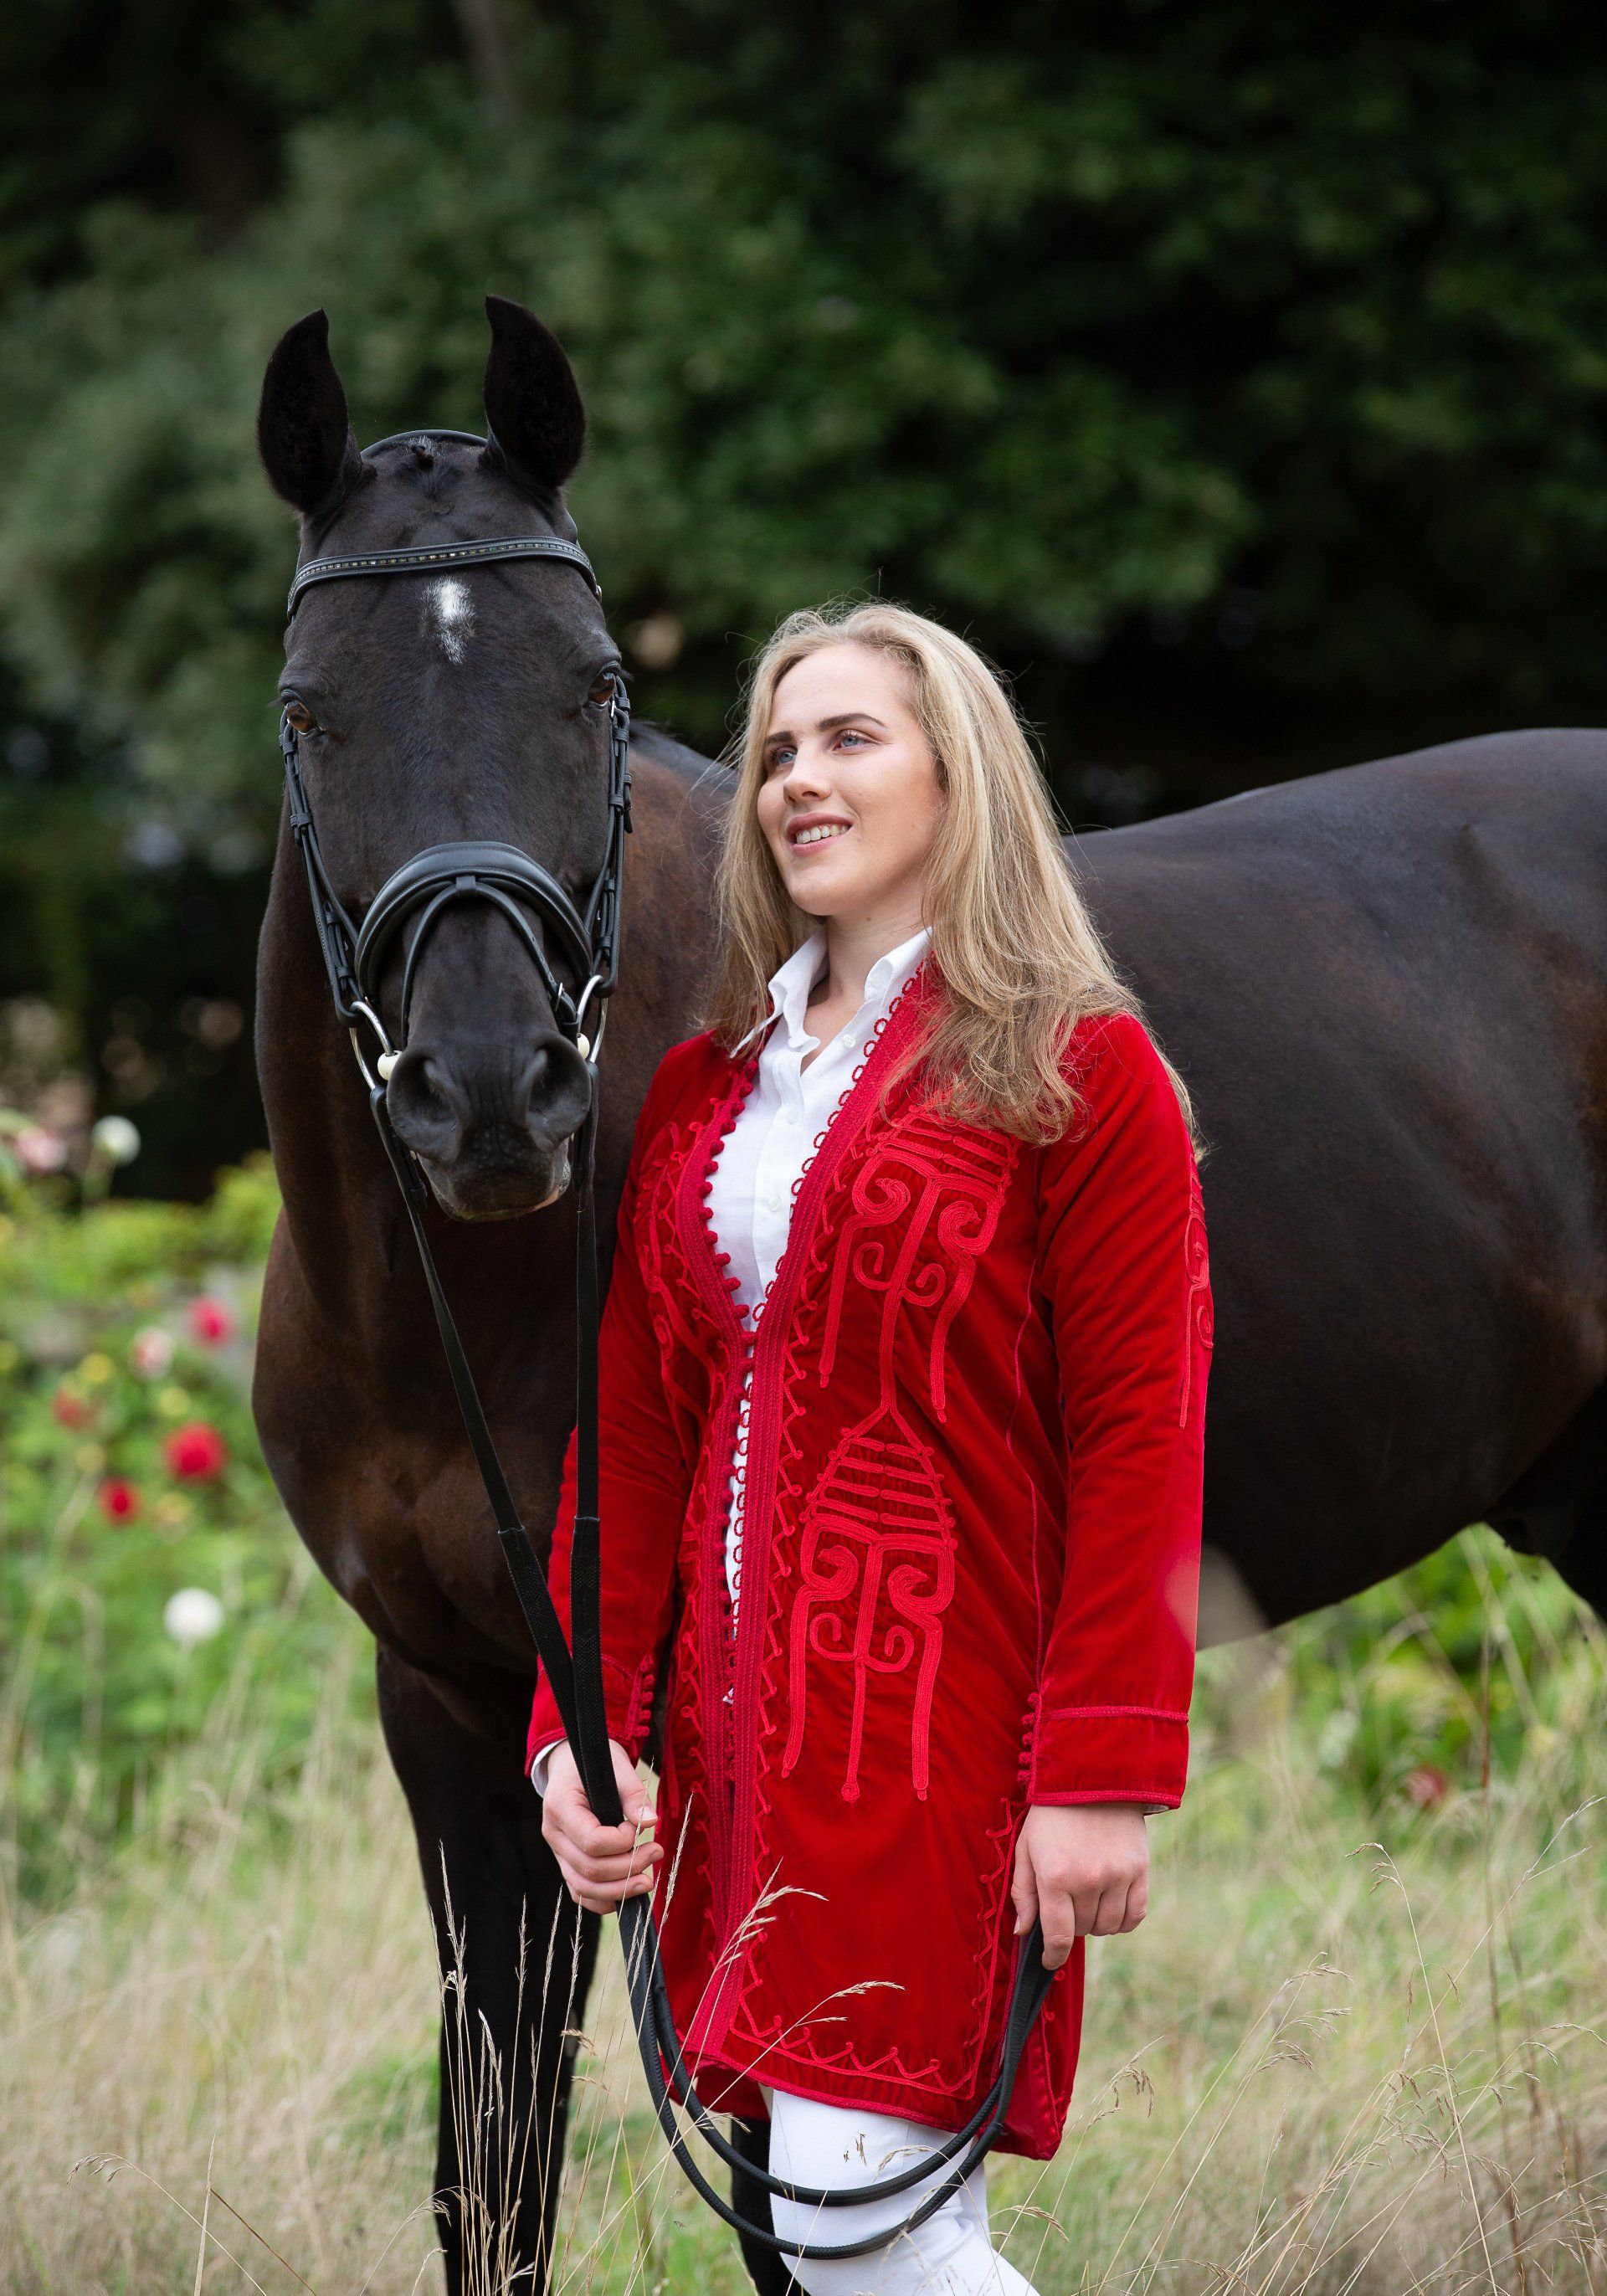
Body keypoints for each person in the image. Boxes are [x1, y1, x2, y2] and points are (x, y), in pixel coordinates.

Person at [527, 600, 1214, 2293]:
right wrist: (578, 1737)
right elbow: (632, 1446)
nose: (797, 781)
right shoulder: (706, 1091)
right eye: (776, 750)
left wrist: (1100, 1772)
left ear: (955, 776)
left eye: (850, 739)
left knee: (861, 2244)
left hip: (931, 1745)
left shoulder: (1079, 1067)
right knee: (819, 2236)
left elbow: (1143, 1437)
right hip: (731, 1770)